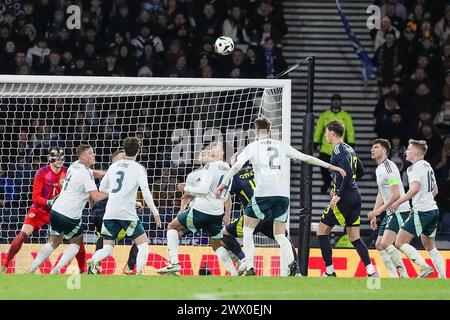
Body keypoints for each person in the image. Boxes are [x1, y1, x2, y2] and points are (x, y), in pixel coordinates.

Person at [215, 116, 346, 276]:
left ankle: (250, 267)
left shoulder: (253, 146)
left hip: (263, 194)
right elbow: (305, 158)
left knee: (248, 230)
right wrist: (331, 166)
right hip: (282, 196)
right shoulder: (281, 145)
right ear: (270, 131)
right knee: (279, 234)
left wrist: (222, 184)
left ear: (255, 132)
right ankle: (293, 266)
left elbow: (236, 166)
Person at [156, 143, 238, 276]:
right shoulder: (229, 168)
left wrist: (186, 188)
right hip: (216, 213)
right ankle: (234, 273)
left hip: (201, 210)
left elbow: (203, 190)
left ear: (222, 153)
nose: (212, 150)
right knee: (216, 244)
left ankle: (174, 263)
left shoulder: (210, 167)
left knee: (172, 227)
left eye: (216, 148)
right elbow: (226, 194)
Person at [0, 147, 84, 273]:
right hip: (40, 210)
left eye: (62, 156)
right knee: (23, 234)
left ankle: (83, 270)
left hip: (59, 211)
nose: (60, 159)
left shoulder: (68, 172)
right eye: (56, 157)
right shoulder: (42, 172)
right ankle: (5, 264)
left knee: (77, 239)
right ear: (50, 158)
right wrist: (48, 202)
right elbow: (35, 197)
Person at [28, 144, 107, 274]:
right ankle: (56, 270)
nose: (94, 155)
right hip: (70, 214)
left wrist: (106, 174)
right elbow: (96, 197)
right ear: (82, 156)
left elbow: (94, 173)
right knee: (76, 242)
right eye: (90, 153)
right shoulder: (85, 174)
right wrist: (111, 193)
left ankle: (31, 270)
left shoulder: (74, 165)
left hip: (56, 210)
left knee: (54, 241)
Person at [87, 137, 161, 275]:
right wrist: (155, 212)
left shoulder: (114, 166)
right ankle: (139, 272)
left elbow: (102, 188)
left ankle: (93, 260)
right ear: (138, 151)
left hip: (109, 213)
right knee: (143, 244)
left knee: (108, 248)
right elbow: (146, 192)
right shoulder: (139, 168)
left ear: (125, 150)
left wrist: (117, 193)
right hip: (127, 213)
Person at [221, 152, 300, 275]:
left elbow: (225, 195)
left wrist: (226, 213)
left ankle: (244, 261)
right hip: (270, 216)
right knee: (285, 238)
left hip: (252, 217)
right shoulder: (260, 171)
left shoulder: (235, 177)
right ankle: (297, 271)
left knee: (224, 234)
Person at [316, 120, 377, 278]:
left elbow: (348, 173)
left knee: (321, 231)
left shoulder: (337, 150)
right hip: (355, 196)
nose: (325, 136)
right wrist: (344, 187)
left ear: (331, 133)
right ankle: (370, 270)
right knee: (354, 237)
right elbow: (360, 172)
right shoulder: (350, 149)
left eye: (326, 132)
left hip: (345, 198)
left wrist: (338, 194)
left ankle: (329, 271)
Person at [386, 140, 446, 278]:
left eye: (409, 149)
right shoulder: (428, 166)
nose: (406, 151)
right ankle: (443, 277)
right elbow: (435, 190)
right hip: (433, 210)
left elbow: (414, 189)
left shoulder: (413, 168)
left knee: (400, 242)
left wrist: (397, 203)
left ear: (417, 152)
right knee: (430, 246)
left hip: (423, 211)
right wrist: (423, 201)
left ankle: (424, 268)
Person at [91, 149, 143, 275]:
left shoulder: (122, 174)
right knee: (140, 239)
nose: (125, 160)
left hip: (111, 213)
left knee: (107, 239)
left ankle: (95, 265)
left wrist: (134, 203)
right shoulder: (113, 173)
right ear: (114, 161)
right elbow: (98, 194)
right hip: (105, 212)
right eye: (122, 158)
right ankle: (129, 268)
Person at [367, 139, 409, 278]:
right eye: (372, 147)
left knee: (385, 243)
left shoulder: (390, 167)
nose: (372, 150)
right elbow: (381, 192)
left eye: (376, 147)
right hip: (390, 211)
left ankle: (403, 275)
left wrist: (380, 210)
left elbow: (396, 193)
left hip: (399, 209)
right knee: (379, 244)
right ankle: (393, 276)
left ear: (384, 151)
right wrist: (374, 213)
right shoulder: (379, 169)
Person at [314, 93, 355, 194]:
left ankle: (338, 186)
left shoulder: (346, 116)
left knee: (340, 168)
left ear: (340, 102)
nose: (336, 102)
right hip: (325, 148)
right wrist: (315, 141)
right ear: (331, 102)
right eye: (334, 100)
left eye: (338, 100)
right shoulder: (325, 115)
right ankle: (327, 182)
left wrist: (351, 142)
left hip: (339, 149)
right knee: (323, 166)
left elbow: (350, 130)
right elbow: (319, 129)